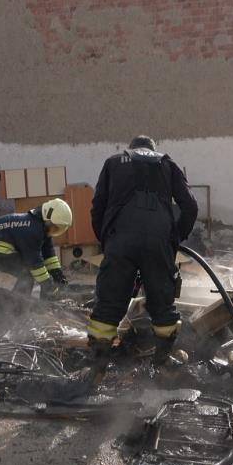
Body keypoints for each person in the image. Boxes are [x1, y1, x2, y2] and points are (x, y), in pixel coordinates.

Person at [84, 135, 198, 383]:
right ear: (153, 150)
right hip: (159, 242)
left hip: (120, 241)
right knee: (163, 307)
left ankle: (97, 371)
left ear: (132, 148)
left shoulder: (114, 162)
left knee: (108, 305)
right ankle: (159, 368)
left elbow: (97, 207)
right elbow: (190, 207)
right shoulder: (168, 164)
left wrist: (108, 241)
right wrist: (173, 239)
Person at [0, 198, 71, 300]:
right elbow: (34, 262)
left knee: (29, 273)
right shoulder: (32, 229)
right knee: (27, 272)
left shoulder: (40, 226)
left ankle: (18, 303)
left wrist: (58, 275)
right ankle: (17, 308)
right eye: (55, 227)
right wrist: (48, 285)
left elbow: (48, 254)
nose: (55, 231)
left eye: (58, 229)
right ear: (48, 218)